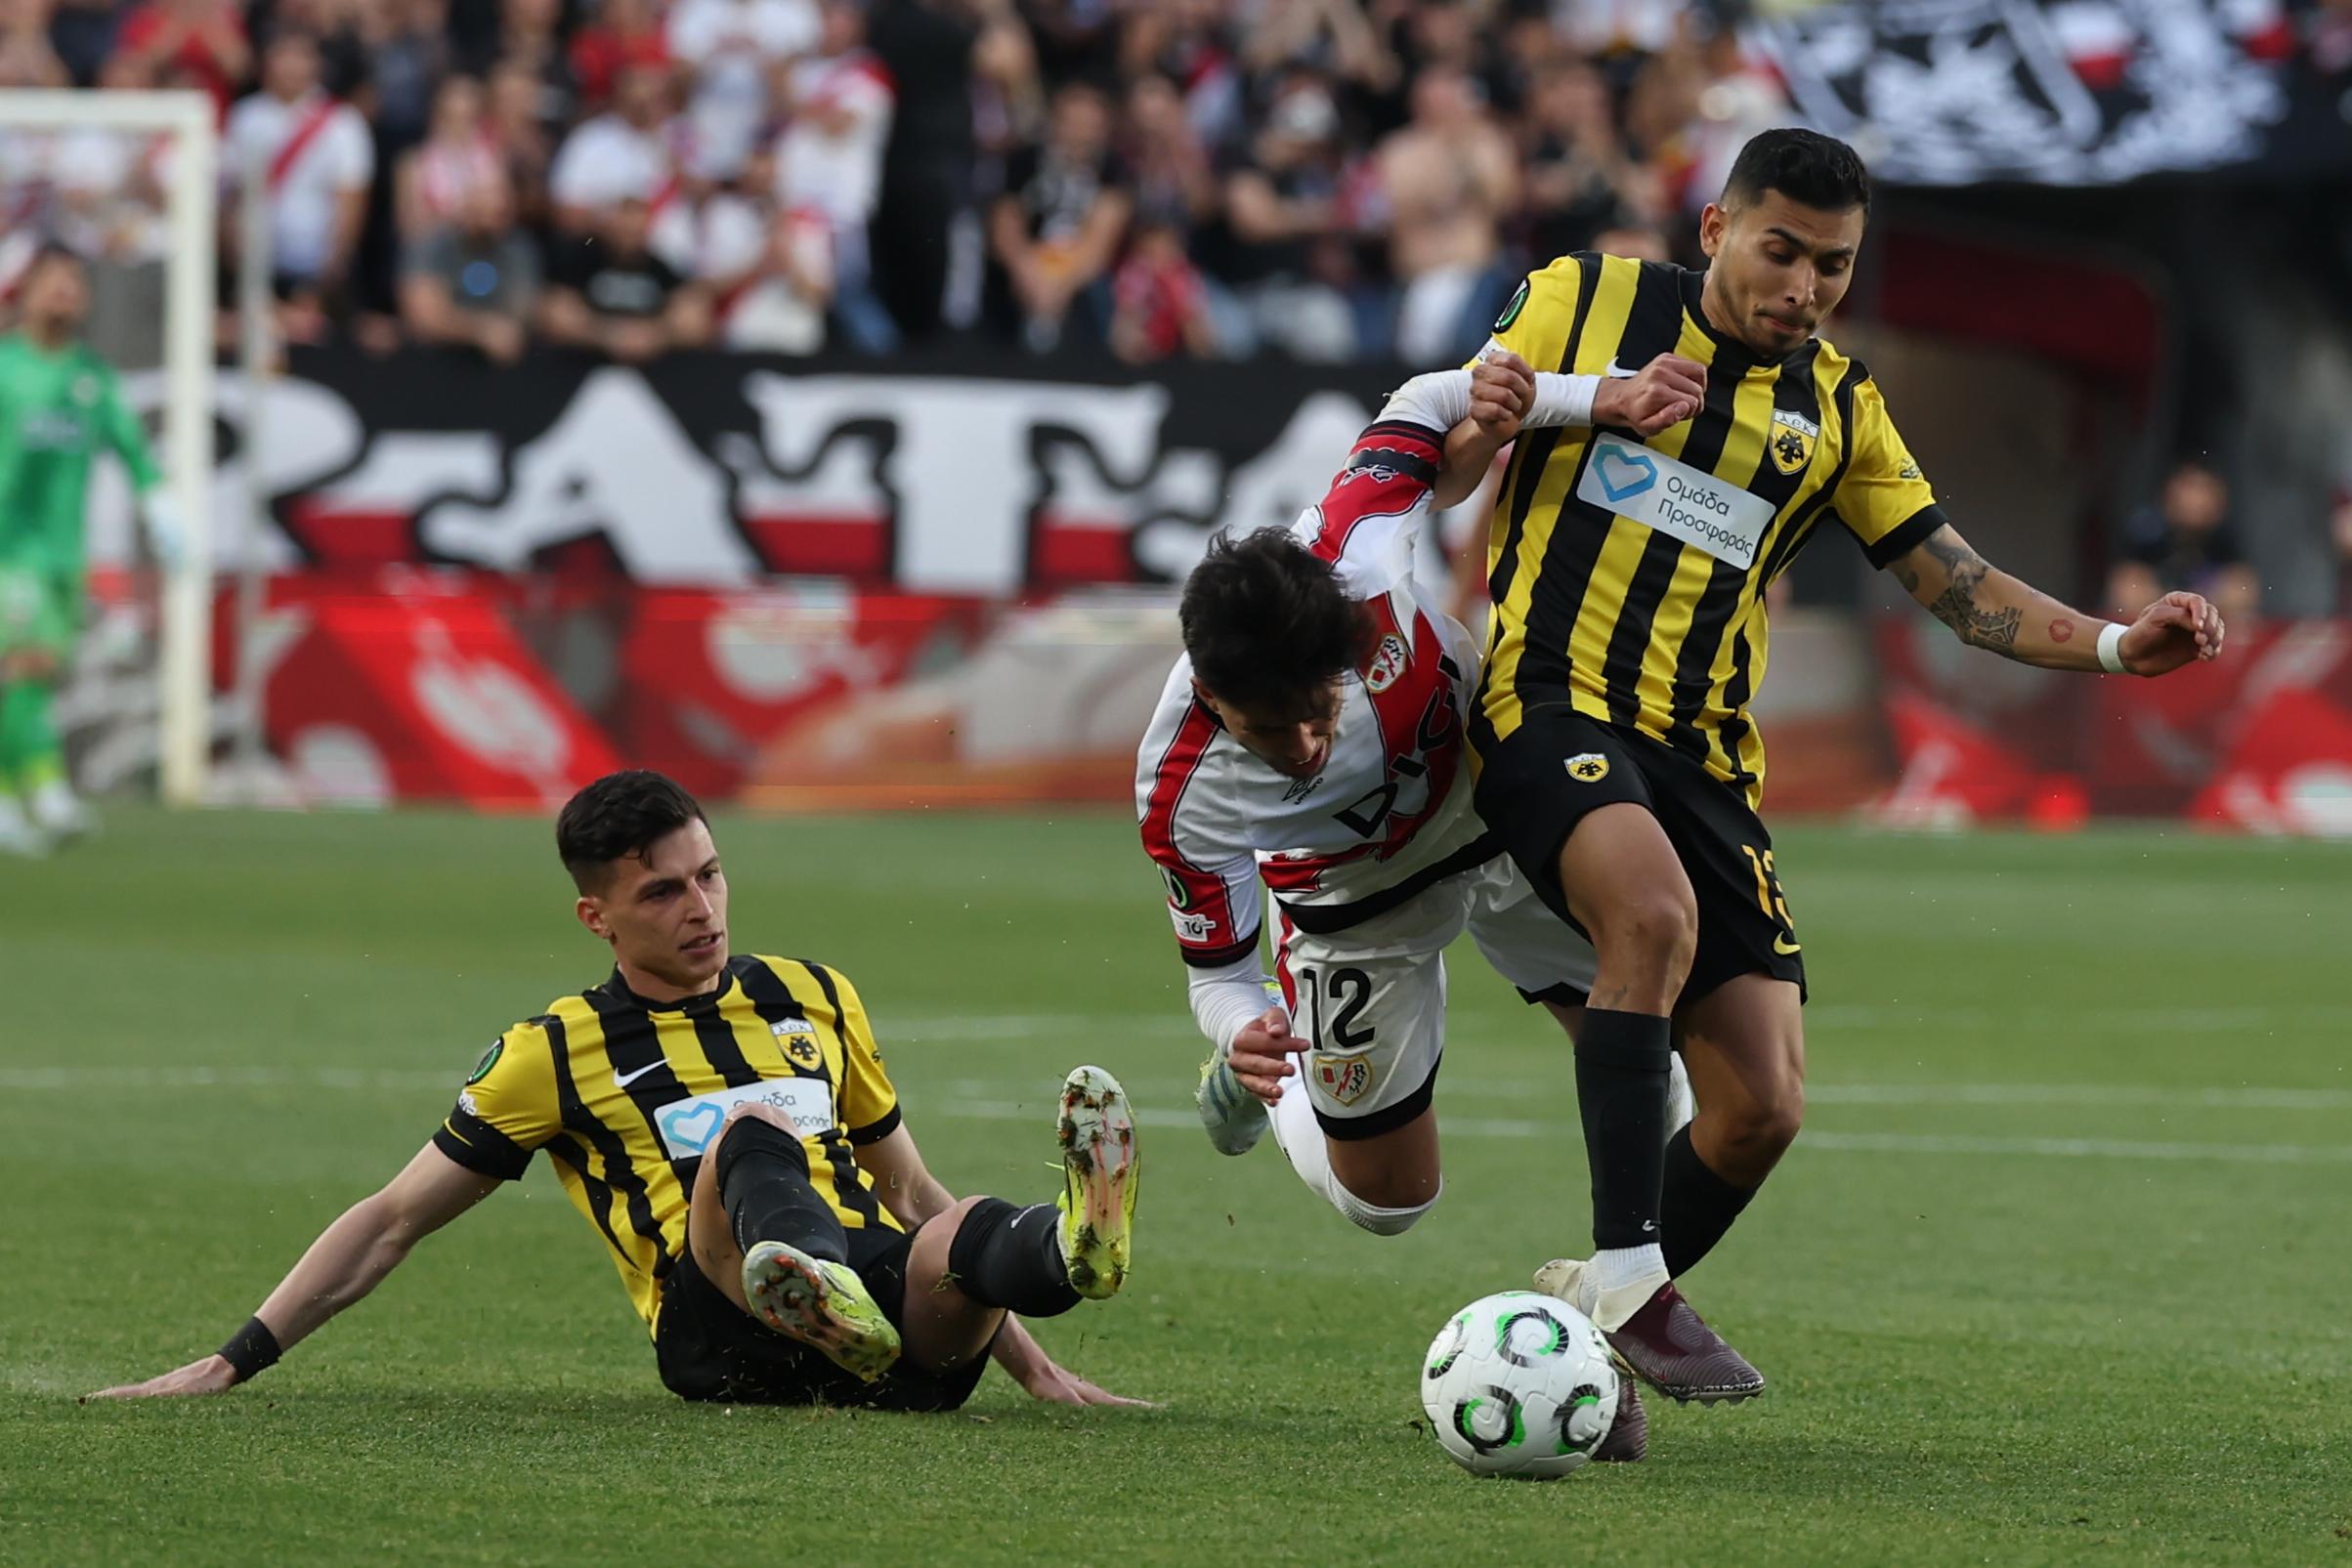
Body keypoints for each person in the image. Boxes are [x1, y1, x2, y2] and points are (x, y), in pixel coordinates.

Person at [1445, 128, 2226, 1404]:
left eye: (1831, 263)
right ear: (1712, 230)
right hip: (1547, 702)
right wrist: (1483, 429)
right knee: (1649, 912)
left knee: (1760, 1106)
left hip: (1701, 758)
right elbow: (1451, 458)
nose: (1801, 285)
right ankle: (1631, 1273)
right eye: (1778, 250)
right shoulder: (1581, 298)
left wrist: (2111, 645)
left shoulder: (1836, 406)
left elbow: (1957, 588)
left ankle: (1575, 1333)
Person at [94, 770, 1146, 1411]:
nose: (701, 906)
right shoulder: (556, 1048)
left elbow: (910, 1194)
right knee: (751, 1132)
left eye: (709, 874)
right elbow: (390, 1220)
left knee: (963, 1226)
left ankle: (1067, 1249)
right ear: (598, 919)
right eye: (663, 891)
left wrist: (1037, 1373)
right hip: (720, 1335)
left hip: (894, 1341)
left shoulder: (813, 994)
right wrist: (233, 1360)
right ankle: (809, 1286)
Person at [1137, 359, 1689, 1462]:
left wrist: (1594, 398)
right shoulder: (1179, 792)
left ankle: (1593, 1349)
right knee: (1387, 1205)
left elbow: (1434, 399)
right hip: (1353, 906)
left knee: (1669, 1093)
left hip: (1502, 808)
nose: (1300, 748)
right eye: (1267, 731)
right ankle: (1272, 1095)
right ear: (1209, 691)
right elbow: (1216, 971)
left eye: (1315, 711)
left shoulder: (1353, 541)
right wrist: (1237, 1029)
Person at [0, 245, 179, 857]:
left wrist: (162, 508)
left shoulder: (91, 378)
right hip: (6, 550)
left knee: (32, 676)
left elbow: (132, 450)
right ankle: (48, 791)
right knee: (26, 665)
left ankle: (4, 803)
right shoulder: (5, 368)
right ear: (23, 291)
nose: (65, 293)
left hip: (60, 555)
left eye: (75, 282)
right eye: (52, 281)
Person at [2107, 458, 2260, 628]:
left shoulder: (2225, 538)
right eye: (2191, 487)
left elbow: (2242, 596)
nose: (2199, 500)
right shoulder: (2146, 533)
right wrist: (2195, 607)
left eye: (2207, 489)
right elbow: (2128, 598)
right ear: (2170, 493)